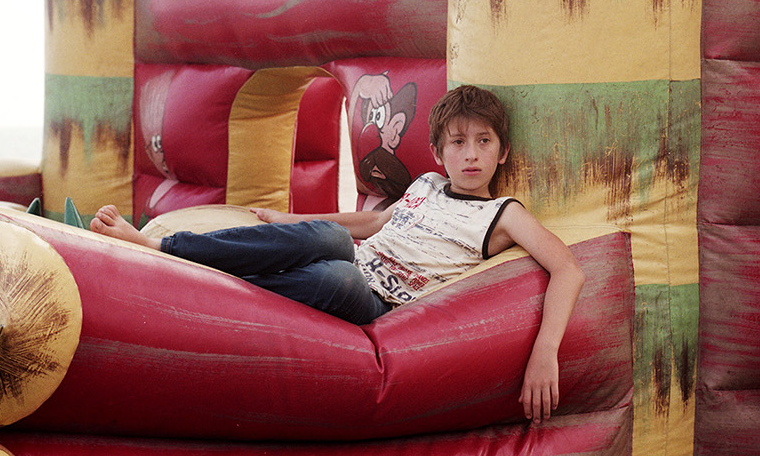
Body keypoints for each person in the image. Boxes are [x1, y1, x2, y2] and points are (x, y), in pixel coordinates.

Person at [91, 85, 583, 423]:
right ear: (438, 153)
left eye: (484, 142)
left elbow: (567, 269)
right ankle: (165, 248)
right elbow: (372, 224)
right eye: (459, 143)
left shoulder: (502, 214)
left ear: (503, 153)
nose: (471, 154)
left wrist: (545, 354)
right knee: (333, 242)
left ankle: (204, 285)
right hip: (355, 259)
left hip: (380, 300)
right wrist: (289, 222)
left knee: (340, 279)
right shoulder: (427, 185)